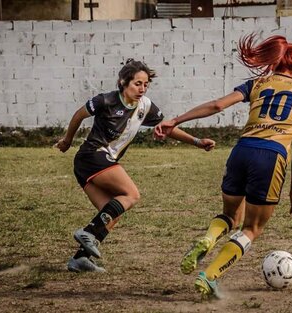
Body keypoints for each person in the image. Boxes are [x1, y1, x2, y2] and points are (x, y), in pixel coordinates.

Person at [154, 33, 292, 299]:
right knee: (252, 228)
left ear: (274, 62)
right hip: (271, 156)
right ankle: (209, 276)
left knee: (230, 216)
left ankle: (208, 238)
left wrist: (176, 120)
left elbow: (218, 105)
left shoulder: (258, 82)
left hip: (242, 150)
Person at [56, 59, 215, 273]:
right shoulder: (106, 101)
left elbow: (166, 127)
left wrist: (197, 142)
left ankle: (80, 259)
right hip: (91, 156)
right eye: (137, 83)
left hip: (99, 161)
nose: (142, 88)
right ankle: (88, 233)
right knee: (131, 194)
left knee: (112, 211)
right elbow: (78, 115)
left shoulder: (145, 106)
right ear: (123, 82)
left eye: (146, 84)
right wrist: (67, 141)